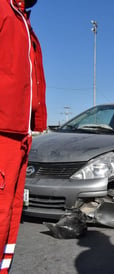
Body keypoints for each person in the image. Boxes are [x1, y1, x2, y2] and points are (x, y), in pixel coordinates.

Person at [0, 0, 47, 272]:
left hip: (20, 132)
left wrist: (33, 123)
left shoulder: (23, 20)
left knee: (10, 213)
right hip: (4, 130)